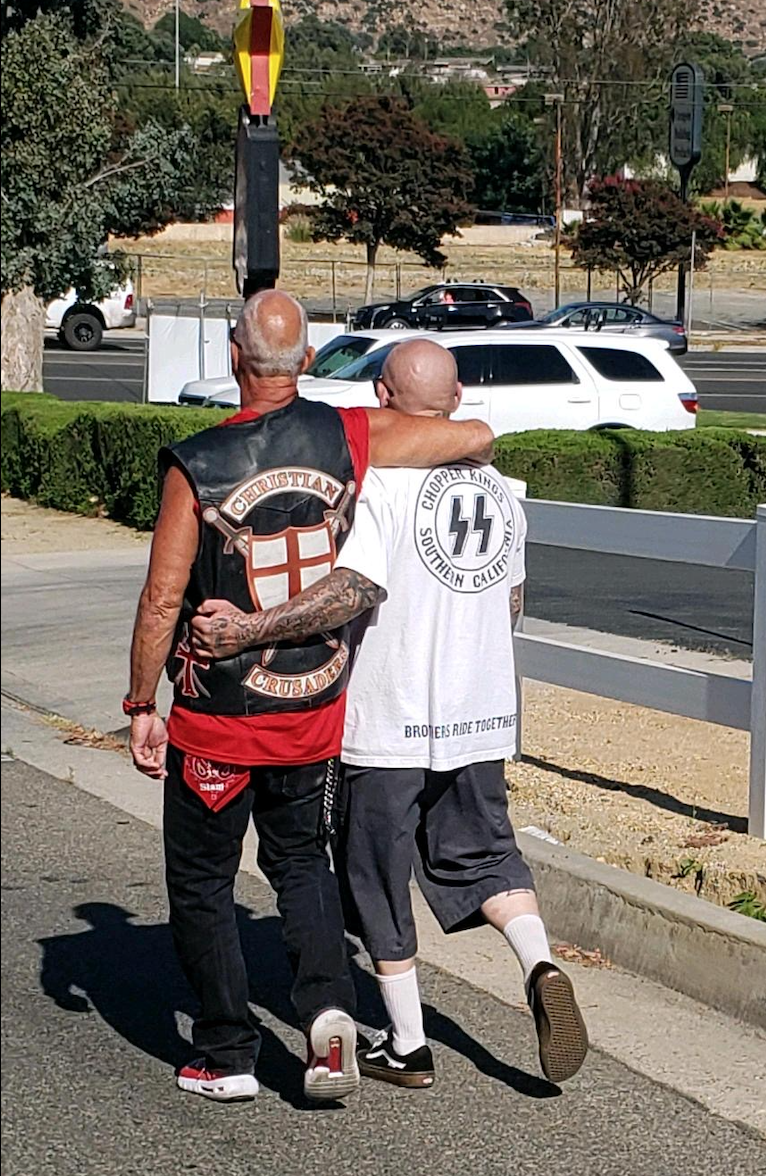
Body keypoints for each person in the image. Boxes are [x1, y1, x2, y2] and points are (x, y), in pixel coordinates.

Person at [191, 339, 588, 1091]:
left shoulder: (383, 486)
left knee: (376, 873)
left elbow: (353, 590)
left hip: (392, 713)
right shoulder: (502, 491)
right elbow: (510, 602)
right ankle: (540, 962)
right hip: (480, 712)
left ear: (381, 396)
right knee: (485, 854)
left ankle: (407, 1044)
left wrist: (249, 631)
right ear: (459, 396)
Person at [126, 295, 494, 1106]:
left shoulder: (195, 462)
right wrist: (459, 430)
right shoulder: (346, 436)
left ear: (232, 357)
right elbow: (470, 436)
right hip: (312, 707)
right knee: (302, 866)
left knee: (203, 881)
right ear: (310, 359)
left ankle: (226, 1051)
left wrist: (140, 704)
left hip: (219, 715)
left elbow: (162, 599)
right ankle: (329, 1016)